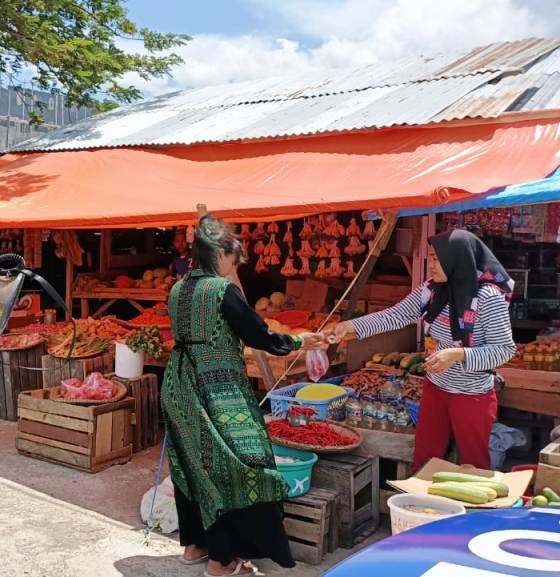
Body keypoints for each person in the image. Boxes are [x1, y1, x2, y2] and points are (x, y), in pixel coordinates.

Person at [163, 209, 324, 576]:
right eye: (232, 258)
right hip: (217, 389)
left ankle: (195, 546)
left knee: (191, 464)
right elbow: (258, 335)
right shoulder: (222, 291)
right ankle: (223, 561)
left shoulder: (178, 289)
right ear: (219, 255)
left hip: (178, 385)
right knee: (237, 468)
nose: (233, 266)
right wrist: (301, 340)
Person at [328, 229, 515, 471]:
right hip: (435, 388)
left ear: (456, 259)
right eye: (431, 258)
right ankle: (420, 507)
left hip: (472, 395)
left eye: (437, 259)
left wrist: (459, 354)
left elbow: (504, 350)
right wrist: (349, 326)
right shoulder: (430, 290)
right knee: (426, 458)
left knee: (474, 463)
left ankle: (470, 509)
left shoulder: (488, 297)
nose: (431, 266)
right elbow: (395, 316)